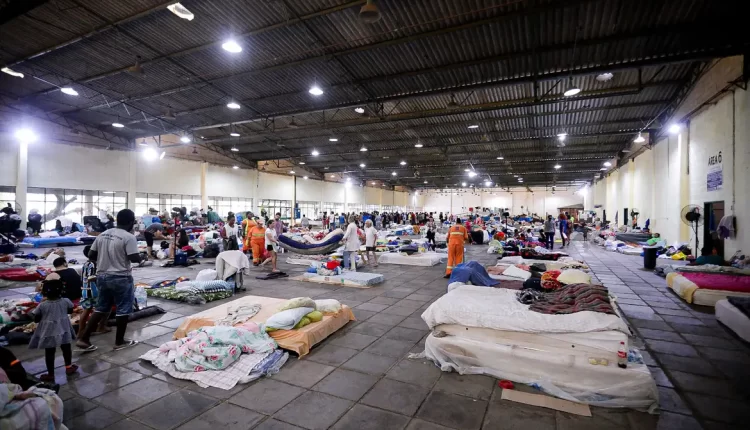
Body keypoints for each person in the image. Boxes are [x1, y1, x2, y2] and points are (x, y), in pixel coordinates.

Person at [76, 209, 143, 352]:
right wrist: (142, 257)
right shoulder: (129, 237)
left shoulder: (103, 234)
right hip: (121, 277)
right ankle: (119, 341)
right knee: (123, 309)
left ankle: (84, 339)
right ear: (131, 222)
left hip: (102, 276)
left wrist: (105, 260)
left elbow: (91, 254)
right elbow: (133, 258)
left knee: (101, 307)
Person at [29, 279, 78, 382]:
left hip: (49, 331)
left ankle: (51, 374)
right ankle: (69, 367)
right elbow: (70, 311)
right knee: (66, 348)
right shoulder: (65, 301)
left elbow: (36, 318)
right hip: (64, 329)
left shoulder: (42, 305)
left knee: (50, 352)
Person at [78, 245, 110, 339]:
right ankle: (101, 326)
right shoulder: (94, 264)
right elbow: (91, 277)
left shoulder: (85, 264)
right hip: (94, 291)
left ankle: (80, 331)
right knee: (105, 308)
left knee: (86, 310)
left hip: (85, 290)